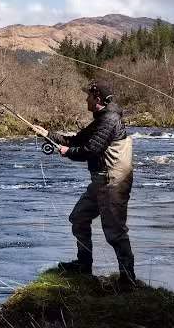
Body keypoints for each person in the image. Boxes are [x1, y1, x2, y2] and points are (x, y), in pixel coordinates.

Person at [30, 81, 136, 287]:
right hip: (101, 180)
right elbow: (77, 140)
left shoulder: (109, 120)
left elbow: (90, 150)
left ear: (97, 99)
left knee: (115, 232)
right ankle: (83, 265)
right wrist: (47, 134)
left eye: (88, 96)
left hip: (112, 182)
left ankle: (128, 280)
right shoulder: (102, 119)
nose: (85, 99)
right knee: (78, 218)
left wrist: (67, 153)